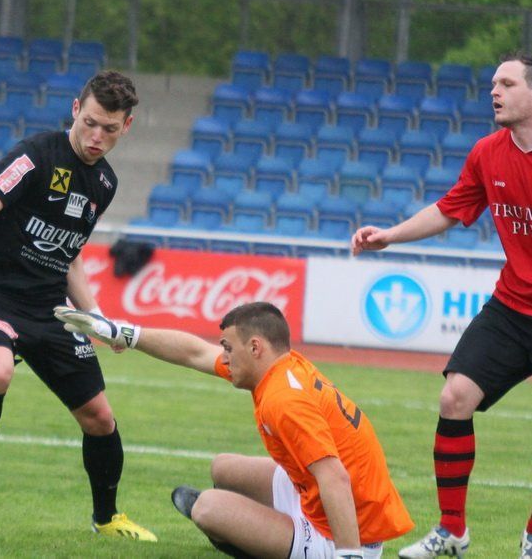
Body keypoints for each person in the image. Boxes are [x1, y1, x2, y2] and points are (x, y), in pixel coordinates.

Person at [0, 71, 156, 542]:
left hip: (48, 305)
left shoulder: (105, 182)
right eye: (89, 122)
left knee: (100, 418)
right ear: (75, 110)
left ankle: (107, 518)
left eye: (109, 128)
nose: (96, 136)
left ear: (126, 126)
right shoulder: (35, 156)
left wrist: (97, 319)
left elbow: (70, 257)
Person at [54, 302, 414, 558]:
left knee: (208, 509)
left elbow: (334, 477)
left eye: (228, 348)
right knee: (223, 468)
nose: (223, 357)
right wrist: (123, 333)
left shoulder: (284, 400)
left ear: (255, 347)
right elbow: (194, 352)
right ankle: (265, 528)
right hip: (320, 498)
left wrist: (348, 554)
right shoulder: (281, 366)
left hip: (345, 532)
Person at [351, 53, 532, 559]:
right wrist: (390, 235)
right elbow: (451, 209)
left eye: (507, 83)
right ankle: (452, 531)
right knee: (455, 398)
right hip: (512, 306)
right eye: (493, 83)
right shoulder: (487, 153)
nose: (494, 91)